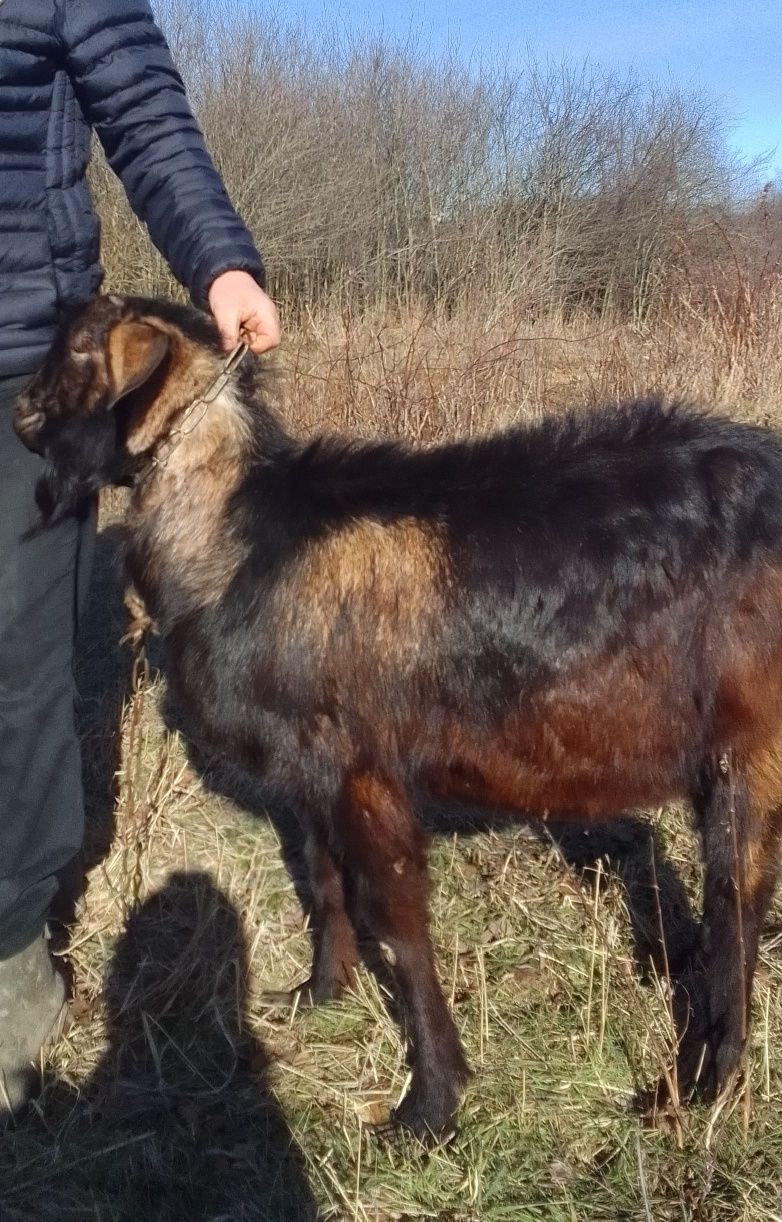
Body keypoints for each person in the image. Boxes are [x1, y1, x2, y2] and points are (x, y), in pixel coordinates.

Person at [0, 0, 280, 1115]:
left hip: (18, 359)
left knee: (14, 669)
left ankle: (11, 951)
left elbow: (145, 111)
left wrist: (219, 265)